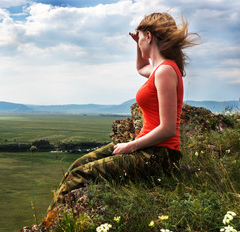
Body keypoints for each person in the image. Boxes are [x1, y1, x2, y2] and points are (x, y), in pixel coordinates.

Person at [48, 12, 199, 211]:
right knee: (76, 165)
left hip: (158, 155)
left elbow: (168, 128)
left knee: (79, 175)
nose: (139, 42)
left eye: (141, 37)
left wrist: (131, 146)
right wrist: (138, 44)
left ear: (149, 36)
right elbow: (140, 67)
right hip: (149, 150)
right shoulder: (159, 68)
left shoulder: (165, 71)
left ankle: (52, 223)